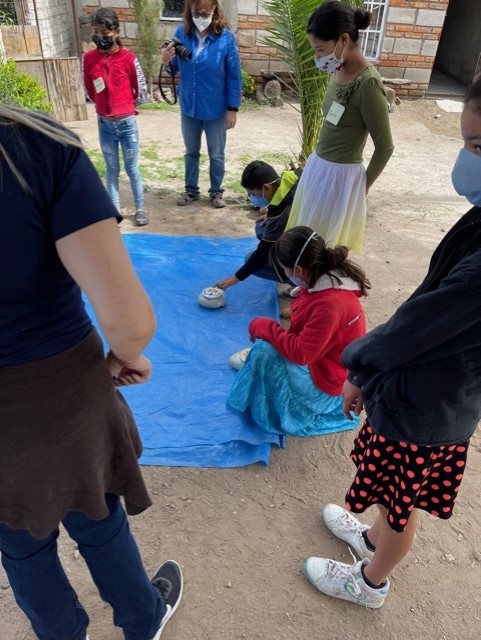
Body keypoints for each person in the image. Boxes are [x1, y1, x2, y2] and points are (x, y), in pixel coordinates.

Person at [0, 104, 182, 639]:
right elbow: (130, 323)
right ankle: (141, 618)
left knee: (18, 541)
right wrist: (125, 357)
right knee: (98, 515)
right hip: (62, 389)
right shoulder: (36, 147)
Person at [303, 73, 481, 610]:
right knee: (392, 491)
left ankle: (371, 582)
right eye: (468, 144)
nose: (467, 159)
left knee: (402, 504)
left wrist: (359, 366)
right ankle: (372, 537)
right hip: (430, 389)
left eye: (478, 147)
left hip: (431, 405)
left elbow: (420, 323)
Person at [227, 226, 370, 437]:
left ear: (300, 270)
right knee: (267, 347)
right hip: (327, 367)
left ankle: (280, 413)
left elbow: (302, 354)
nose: (285, 274)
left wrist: (263, 326)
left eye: (285, 269)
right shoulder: (323, 281)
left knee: (263, 352)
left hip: (326, 383)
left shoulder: (329, 304)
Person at [286, 1, 394, 253]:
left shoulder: (368, 84)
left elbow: (385, 147)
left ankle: (319, 288)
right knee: (308, 237)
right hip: (319, 167)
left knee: (325, 244)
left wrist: (362, 186)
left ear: (343, 40)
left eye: (320, 49)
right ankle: (306, 285)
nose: (317, 58)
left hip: (341, 178)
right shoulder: (337, 68)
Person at [160, 0, 242, 209]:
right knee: (191, 152)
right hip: (190, 106)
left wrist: (232, 109)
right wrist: (166, 60)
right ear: (189, 11)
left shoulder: (226, 38)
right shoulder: (181, 32)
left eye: (205, 13)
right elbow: (174, 69)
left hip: (215, 108)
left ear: (215, 10)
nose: (200, 17)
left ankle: (216, 192)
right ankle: (191, 190)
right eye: (196, 12)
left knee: (216, 154)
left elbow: (234, 76)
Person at [83, 7, 149, 227]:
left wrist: (125, 108)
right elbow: (89, 90)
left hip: (127, 123)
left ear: (116, 32)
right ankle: (114, 212)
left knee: (132, 168)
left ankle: (140, 209)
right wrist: (103, 106)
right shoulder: (89, 59)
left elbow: (140, 91)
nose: (101, 38)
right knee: (111, 169)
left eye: (105, 33)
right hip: (105, 124)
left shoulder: (129, 58)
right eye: (97, 33)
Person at [214, 160, 302, 290]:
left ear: (266, 188)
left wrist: (235, 278)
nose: (253, 197)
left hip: (303, 252)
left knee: (251, 259)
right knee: (261, 227)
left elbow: (262, 253)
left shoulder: (279, 214)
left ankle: (297, 283)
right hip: (311, 231)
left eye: (254, 194)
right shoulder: (295, 176)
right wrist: (270, 215)